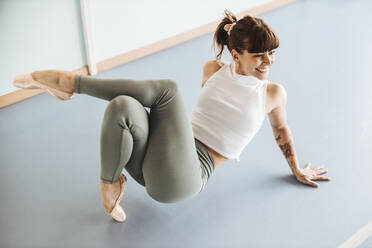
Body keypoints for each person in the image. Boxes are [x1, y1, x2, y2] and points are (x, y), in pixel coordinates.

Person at [13, 9, 330, 222]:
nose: (268, 62)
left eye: (272, 53)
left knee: (168, 90)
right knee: (122, 105)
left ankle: (71, 83)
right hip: (154, 161)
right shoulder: (213, 70)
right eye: (259, 55)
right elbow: (175, 125)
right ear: (236, 55)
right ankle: (110, 186)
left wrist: (296, 168)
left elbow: (282, 132)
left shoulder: (272, 93)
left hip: (186, 177)